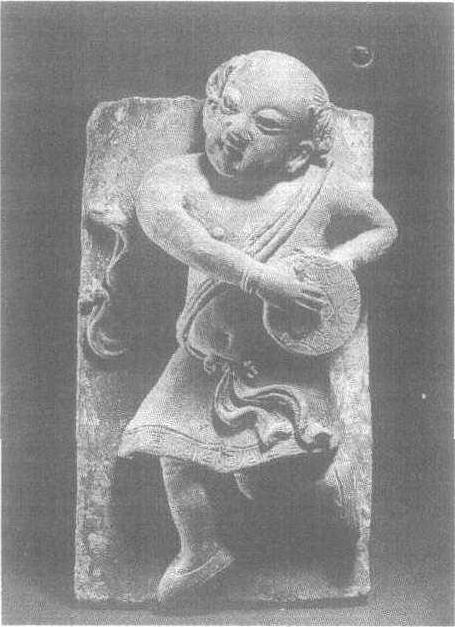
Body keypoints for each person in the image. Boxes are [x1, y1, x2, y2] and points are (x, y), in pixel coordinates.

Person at [117, 50, 397, 604]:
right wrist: (261, 278)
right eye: (227, 107)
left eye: (265, 124)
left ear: (299, 153)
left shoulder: (317, 189)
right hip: (201, 363)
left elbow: (382, 227)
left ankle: (335, 498)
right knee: (175, 457)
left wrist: (333, 266)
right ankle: (200, 551)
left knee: (277, 471)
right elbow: (181, 236)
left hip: (281, 365)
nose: (235, 129)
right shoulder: (176, 179)